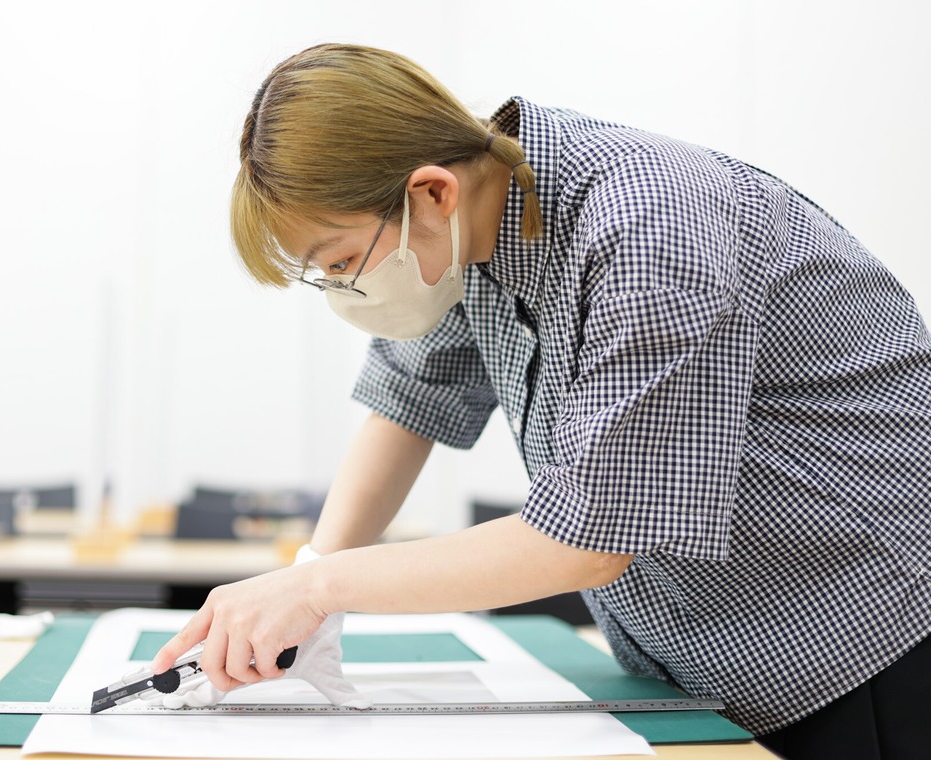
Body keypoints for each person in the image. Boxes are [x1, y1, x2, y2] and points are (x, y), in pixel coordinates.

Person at [152, 43, 931, 759]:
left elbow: (589, 539)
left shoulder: (652, 230)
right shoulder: (477, 227)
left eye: (345, 260)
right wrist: (316, 571)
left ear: (431, 191)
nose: (347, 293)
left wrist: (314, 589)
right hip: (701, 652)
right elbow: (408, 400)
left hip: (861, 634)